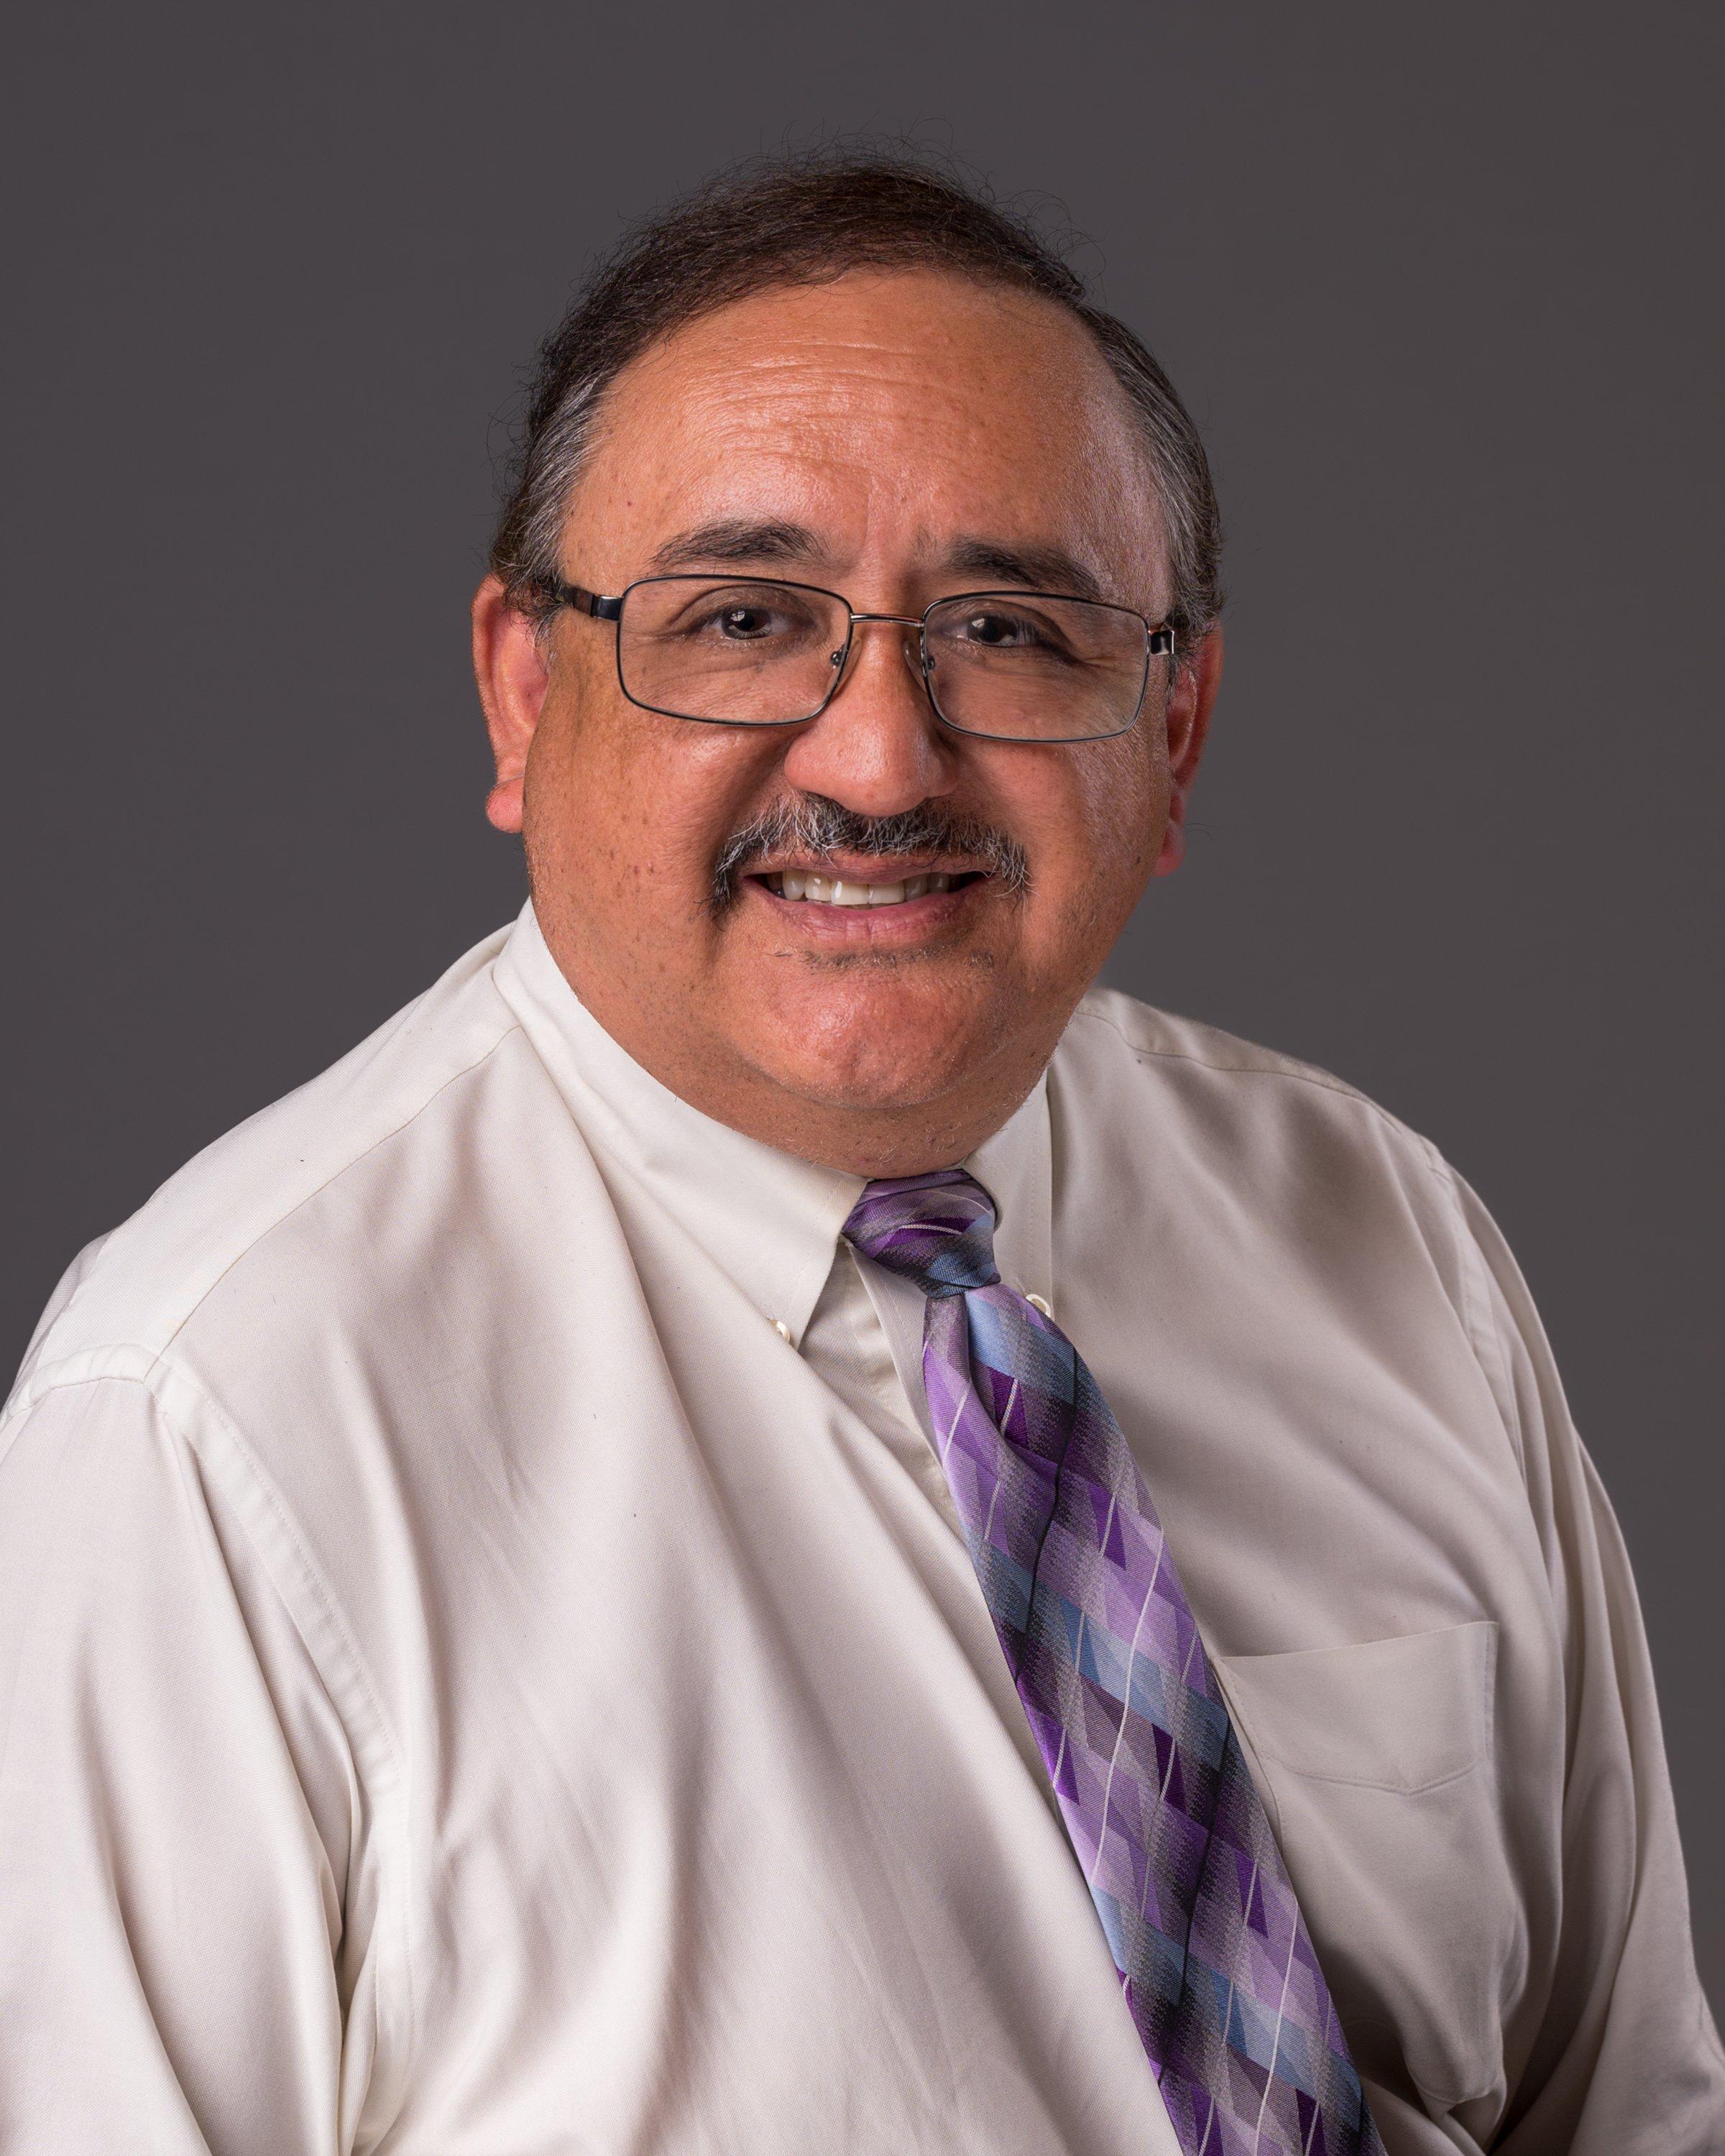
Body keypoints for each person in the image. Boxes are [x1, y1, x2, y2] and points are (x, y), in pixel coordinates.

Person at [1, 153, 1718, 2156]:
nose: (879, 758)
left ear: (1176, 736)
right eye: (745, 618)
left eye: (1007, 627)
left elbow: (1629, 2108)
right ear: (521, 692)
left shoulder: (1380, 1237)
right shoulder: (209, 1427)